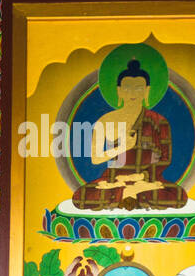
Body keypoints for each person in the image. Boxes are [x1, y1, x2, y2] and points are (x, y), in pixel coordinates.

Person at [72, 58, 186, 211]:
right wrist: (123, 147)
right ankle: (132, 192)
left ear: (147, 90)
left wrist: (141, 177)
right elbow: (95, 158)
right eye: (127, 88)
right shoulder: (105, 120)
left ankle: (129, 192)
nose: (132, 93)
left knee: (179, 195)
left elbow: (166, 159)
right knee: (80, 197)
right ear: (119, 91)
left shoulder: (159, 121)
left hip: (147, 179)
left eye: (139, 88)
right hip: (115, 178)